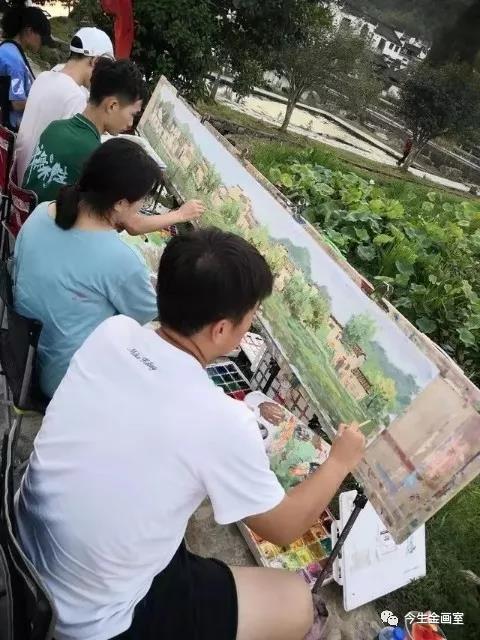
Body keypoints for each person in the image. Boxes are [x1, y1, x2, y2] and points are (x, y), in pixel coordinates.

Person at [15, 227, 366, 640]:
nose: (251, 323)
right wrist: (340, 460)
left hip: (25, 553)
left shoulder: (113, 332)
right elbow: (284, 526)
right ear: (221, 330)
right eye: (251, 315)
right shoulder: (221, 420)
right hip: (89, 620)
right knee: (297, 602)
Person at [14, 138, 165, 399]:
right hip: (62, 379)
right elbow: (146, 313)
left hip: (19, 354)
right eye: (141, 200)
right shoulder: (121, 260)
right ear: (120, 203)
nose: (141, 207)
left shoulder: (40, 212)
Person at [22, 56, 204, 233]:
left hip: (28, 225)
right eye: (132, 114)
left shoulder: (55, 127)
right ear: (112, 106)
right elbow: (132, 224)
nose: (131, 123)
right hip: (54, 236)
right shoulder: (96, 157)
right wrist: (180, 214)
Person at [15, 27, 114, 185]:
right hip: (36, 183)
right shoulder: (76, 97)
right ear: (94, 61)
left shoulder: (45, 76)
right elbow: (74, 150)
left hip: (17, 173)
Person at [0, 2, 55, 130]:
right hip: (9, 130)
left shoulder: (6, 49)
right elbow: (17, 102)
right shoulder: (14, 61)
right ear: (29, 31)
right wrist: (45, 103)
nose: (42, 44)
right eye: (42, 38)